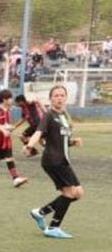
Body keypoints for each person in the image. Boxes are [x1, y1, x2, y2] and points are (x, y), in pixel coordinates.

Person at [25, 84, 83, 239]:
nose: (59, 98)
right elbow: (38, 132)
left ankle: (41, 212)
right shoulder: (49, 115)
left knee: (77, 193)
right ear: (51, 99)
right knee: (71, 193)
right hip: (53, 160)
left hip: (63, 160)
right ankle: (53, 227)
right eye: (56, 95)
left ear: (66, 98)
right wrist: (29, 145)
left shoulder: (64, 116)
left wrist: (72, 142)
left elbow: (59, 140)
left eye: (62, 95)